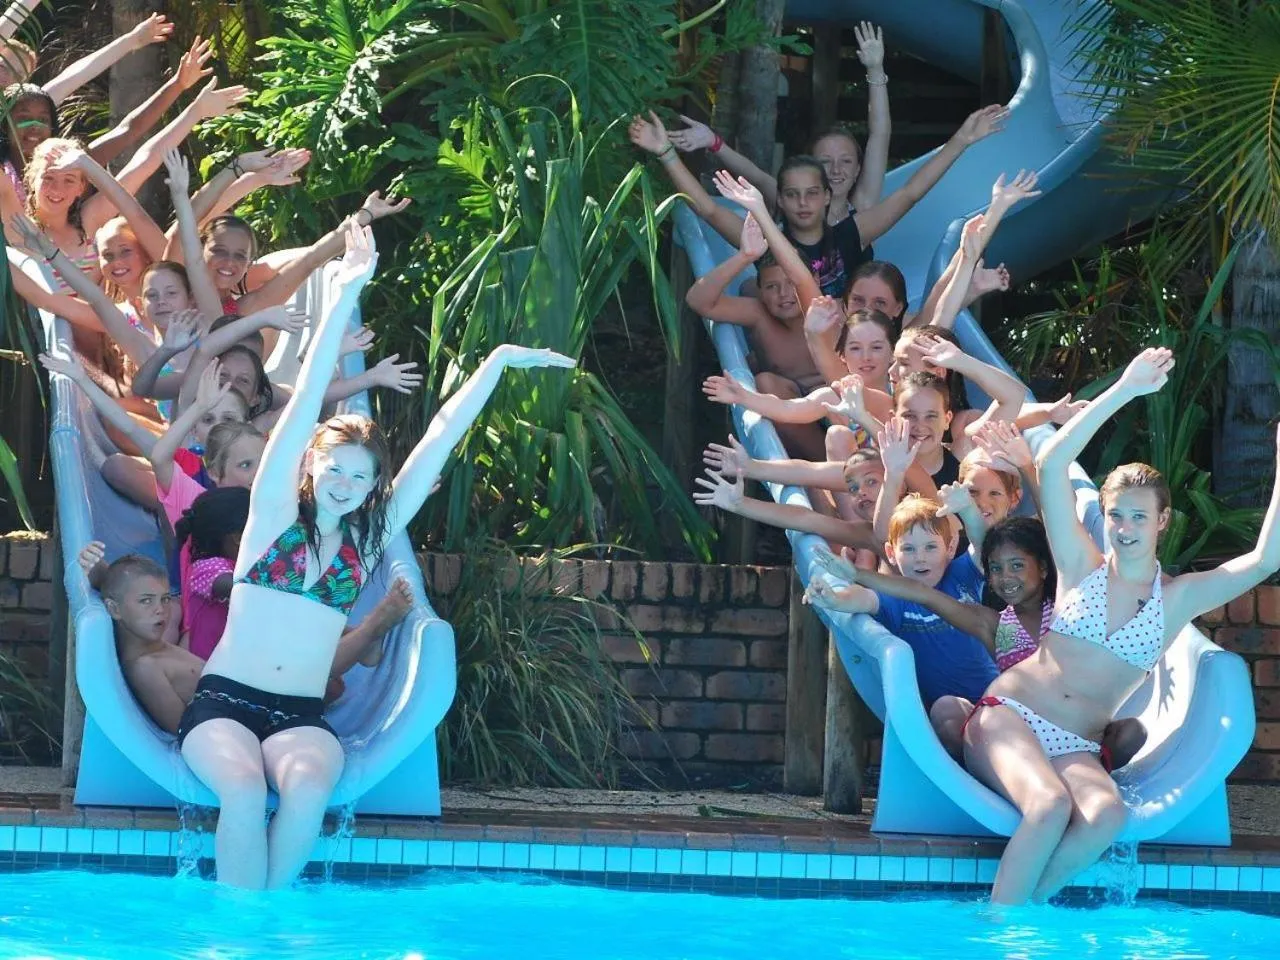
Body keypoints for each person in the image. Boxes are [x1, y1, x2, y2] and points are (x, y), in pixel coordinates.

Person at [177, 223, 575, 889]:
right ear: (312, 465)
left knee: (306, 791)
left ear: (371, 487)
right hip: (224, 702)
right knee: (244, 792)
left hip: (301, 714)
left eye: (361, 478)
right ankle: (238, 936)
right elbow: (304, 395)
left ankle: (266, 930)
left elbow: (439, 444)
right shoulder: (273, 511)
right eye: (336, 469)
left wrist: (496, 362)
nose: (346, 485)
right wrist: (349, 283)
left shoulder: (367, 537)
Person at [958, 347, 1280, 905]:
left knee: (1106, 816)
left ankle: (1028, 908)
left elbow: (1262, 560)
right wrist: (1126, 388)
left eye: (1139, 516)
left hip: (1075, 743)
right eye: (1116, 515)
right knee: (1050, 806)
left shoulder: (1175, 600)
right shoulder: (1080, 566)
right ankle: (999, 934)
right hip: (1009, 716)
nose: (1125, 527)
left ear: (1163, 521)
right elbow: (1054, 462)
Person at [631, 103, 1007, 299]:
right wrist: (665, 152)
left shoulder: (851, 233)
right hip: (790, 339)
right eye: (791, 196)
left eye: (812, 193)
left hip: (842, 339)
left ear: (827, 196)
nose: (802, 203)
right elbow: (709, 208)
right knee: (750, 296)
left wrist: (960, 140)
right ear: (781, 200)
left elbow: (910, 193)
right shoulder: (762, 241)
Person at [668, 22, 891, 229]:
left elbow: (880, 134)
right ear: (810, 167)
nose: (835, 170)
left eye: (846, 161)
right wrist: (713, 142)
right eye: (825, 161)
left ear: (858, 170)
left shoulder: (862, 208)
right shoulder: (792, 204)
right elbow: (753, 174)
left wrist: (875, 69)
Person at [803, 493, 1000, 708]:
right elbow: (863, 598)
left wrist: (969, 510)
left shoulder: (962, 575)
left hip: (995, 695)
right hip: (943, 713)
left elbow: (983, 545)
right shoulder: (895, 597)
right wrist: (834, 598)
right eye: (908, 549)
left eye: (931, 547)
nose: (920, 557)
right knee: (947, 710)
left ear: (950, 548)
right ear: (891, 553)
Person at [77, 545, 202, 735]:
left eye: (165, 599)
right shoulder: (145, 668)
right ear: (114, 610)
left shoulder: (158, 649)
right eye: (146, 601)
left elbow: (121, 586)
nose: (160, 609)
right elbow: (185, 732)